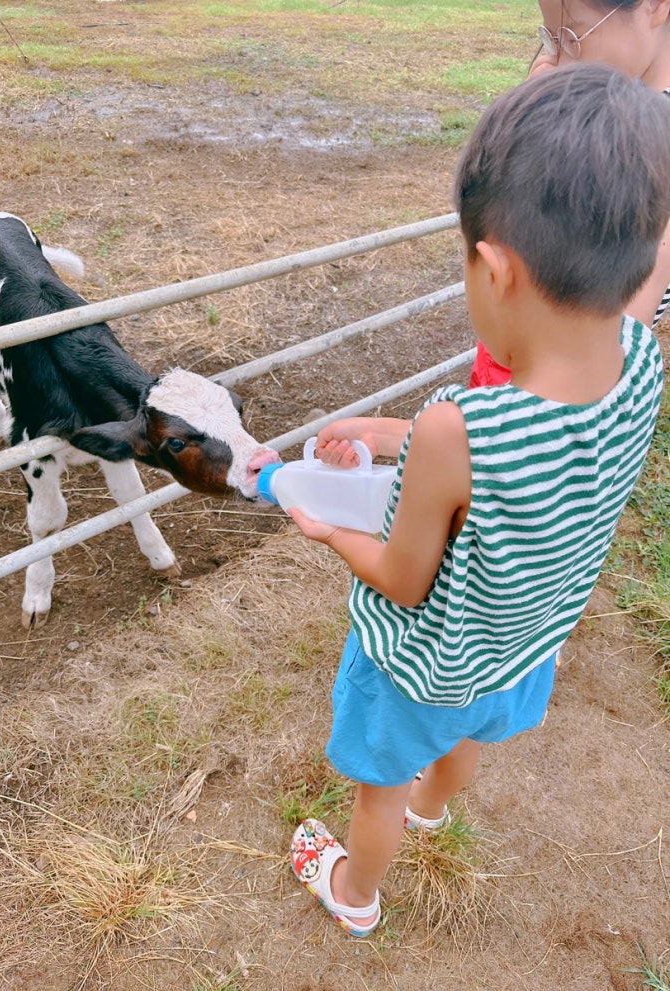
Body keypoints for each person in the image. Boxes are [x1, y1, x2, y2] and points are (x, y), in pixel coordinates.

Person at [285, 63, 670, 937]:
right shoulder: (642, 362)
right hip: (521, 647)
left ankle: (353, 892)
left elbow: (400, 578)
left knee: (377, 785)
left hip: (419, 666)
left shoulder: (456, 429)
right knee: (461, 742)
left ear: (492, 268)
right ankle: (434, 810)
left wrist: (325, 525)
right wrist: (385, 434)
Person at [469, 0, 670, 388]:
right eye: (550, 36)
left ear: (656, 6)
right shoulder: (610, 107)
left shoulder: (651, 143)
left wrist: (529, 128)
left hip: (557, 390)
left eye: (574, 35)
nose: (557, 56)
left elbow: (609, 337)